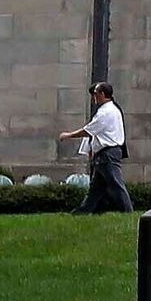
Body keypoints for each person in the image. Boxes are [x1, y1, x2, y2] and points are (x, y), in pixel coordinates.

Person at [59, 81, 135, 214]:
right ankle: (81, 213)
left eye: (95, 94)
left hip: (108, 154)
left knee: (116, 184)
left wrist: (68, 135)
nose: (94, 97)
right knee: (96, 188)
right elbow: (96, 133)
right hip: (104, 153)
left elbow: (89, 130)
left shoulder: (106, 112)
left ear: (102, 94)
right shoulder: (109, 110)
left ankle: (128, 212)